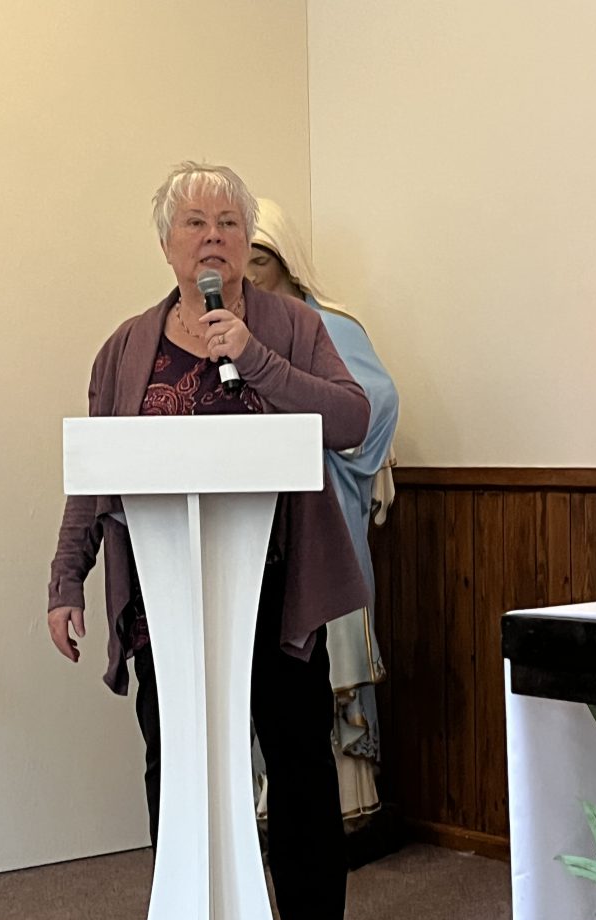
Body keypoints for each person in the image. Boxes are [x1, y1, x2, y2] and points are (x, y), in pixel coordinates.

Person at [47, 162, 371, 920]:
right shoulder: (127, 347)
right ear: (167, 244)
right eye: (195, 223)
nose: (213, 237)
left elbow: (351, 418)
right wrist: (66, 578)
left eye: (228, 222)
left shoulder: (290, 326)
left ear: (247, 238)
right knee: (176, 760)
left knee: (296, 756)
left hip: (274, 586)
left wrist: (255, 360)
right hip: (167, 597)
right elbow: (96, 474)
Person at [246, 199, 398, 831]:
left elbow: (377, 401)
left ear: (285, 259)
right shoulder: (238, 328)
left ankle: (346, 802)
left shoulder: (326, 325)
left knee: (327, 654)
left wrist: (331, 448)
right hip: (263, 521)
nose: (248, 273)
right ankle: (276, 805)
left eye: (259, 259)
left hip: (326, 504)